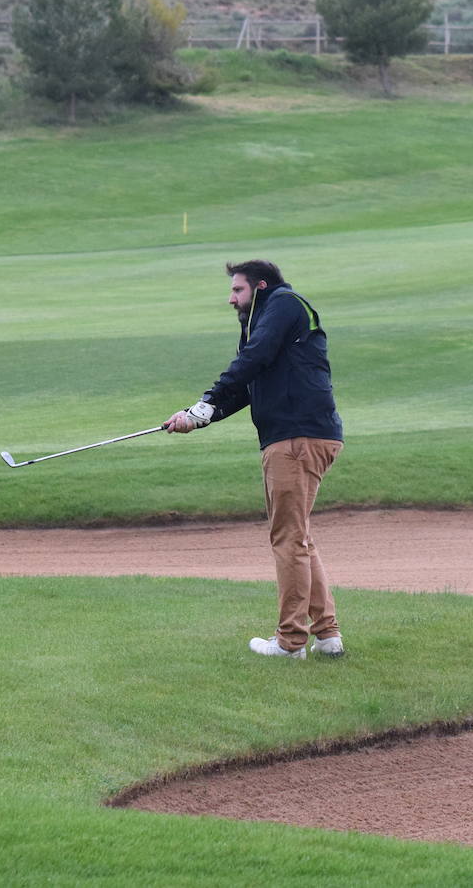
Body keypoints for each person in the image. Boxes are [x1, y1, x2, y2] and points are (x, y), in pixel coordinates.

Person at [165, 259, 345, 659]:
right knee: (298, 537)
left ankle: (290, 642)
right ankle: (327, 636)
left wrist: (205, 401)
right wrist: (199, 418)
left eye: (238, 290)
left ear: (260, 287)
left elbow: (254, 359)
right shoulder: (263, 320)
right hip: (302, 436)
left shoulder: (282, 304)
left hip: (295, 439)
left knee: (288, 540)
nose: (231, 299)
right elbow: (248, 384)